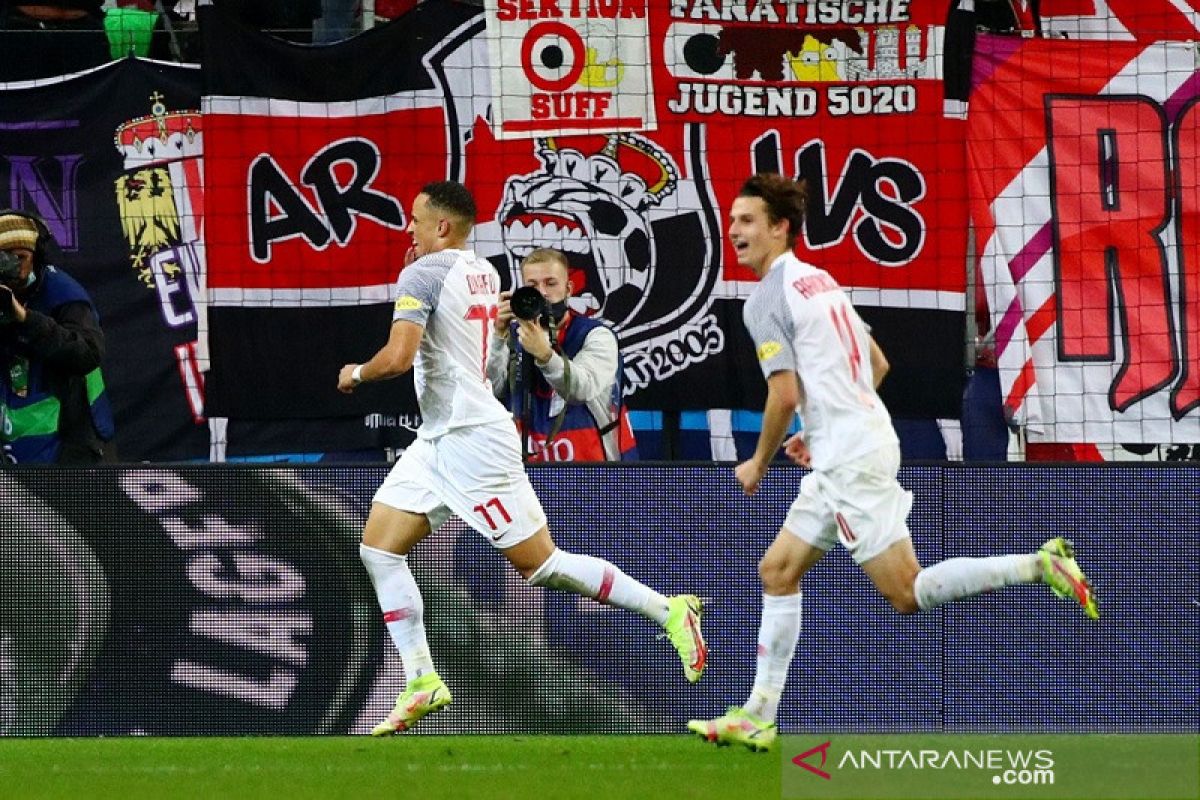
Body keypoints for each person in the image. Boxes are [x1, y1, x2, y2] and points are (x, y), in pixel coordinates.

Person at [686, 174, 1098, 753]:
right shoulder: (821, 281)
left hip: (851, 458)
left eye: (747, 221)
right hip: (848, 448)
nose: (734, 232)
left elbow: (781, 394)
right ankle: (758, 713)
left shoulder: (767, 300)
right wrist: (820, 429)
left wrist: (759, 460)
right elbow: (876, 364)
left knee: (905, 592)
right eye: (732, 221)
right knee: (777, 571)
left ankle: (1037, 565)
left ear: (781, 228)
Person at [337, 181, 706, 736]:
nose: (407, 229)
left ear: (442, 227)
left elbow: (399, 355)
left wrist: (356, 374)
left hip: (471, 440)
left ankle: (669, 610)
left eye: (415, 219)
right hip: (439, 438)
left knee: (542, 566)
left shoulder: (424, 273)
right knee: (378, 549)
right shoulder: (479, 268)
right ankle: (420, 678)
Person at [485, 247, 637, 462]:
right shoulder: (514, 335)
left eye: (551, 283)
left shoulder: (597, 336)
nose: (542, 292)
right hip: (527, 465)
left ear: (569, 289)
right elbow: (492, 390)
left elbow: (581, 390)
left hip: (592, 466)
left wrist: (545, 355)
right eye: (532, 285)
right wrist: (498, 335)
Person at [0, 209, 114, 464]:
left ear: (37, 257)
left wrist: (25, 318)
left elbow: (87, 353)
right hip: (16, 433)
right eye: (5, 260)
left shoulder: (64, 294)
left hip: (75, 434)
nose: (15, 268)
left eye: (21, 257)